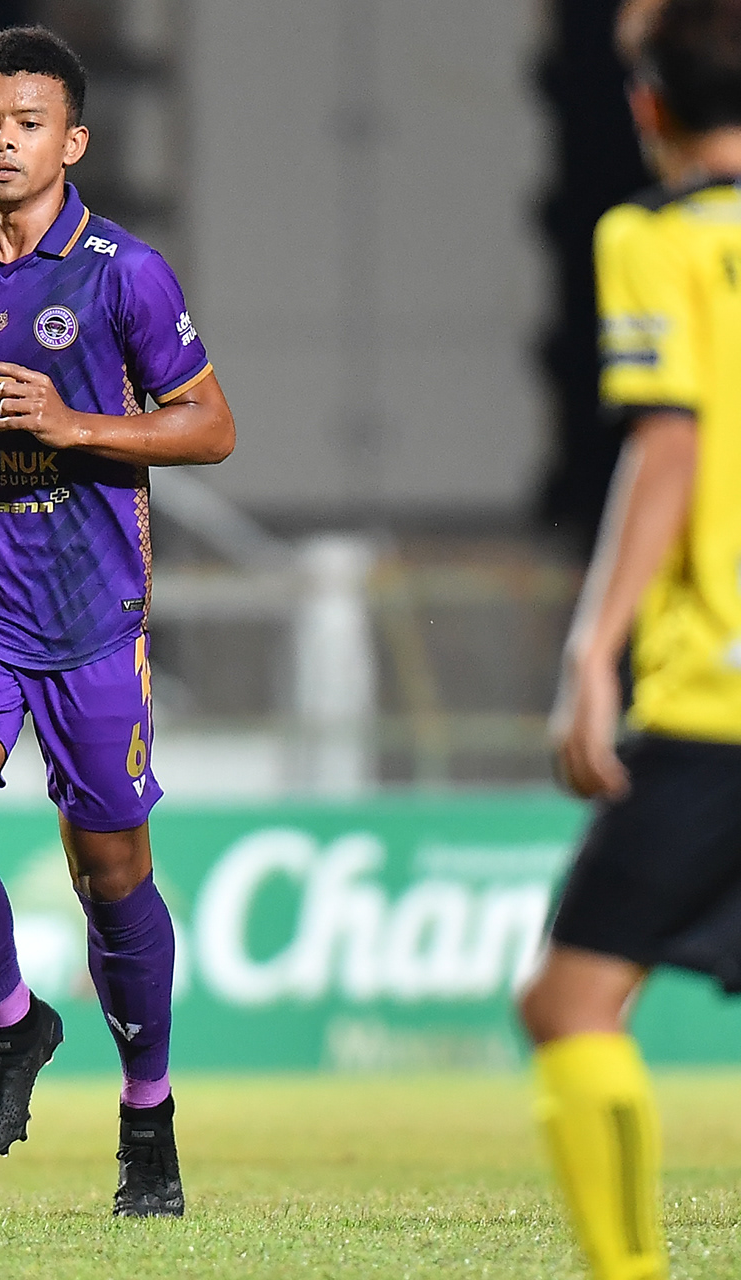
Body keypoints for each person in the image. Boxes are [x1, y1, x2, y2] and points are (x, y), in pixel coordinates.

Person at [0, 26, 234, 1216]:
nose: (3, 141)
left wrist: (77, 427)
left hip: (91, 613)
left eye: (27, 123)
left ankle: (148, 1114)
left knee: (111, 871)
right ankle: (15, 1024)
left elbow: (211, 426)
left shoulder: (126, 274)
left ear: (72, 141)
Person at [521, 1, 741, 1274]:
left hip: (717, 701)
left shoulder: (656, 237)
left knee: (572, 1001)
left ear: (648, 105)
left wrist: (591, 649)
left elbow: (670, 446)